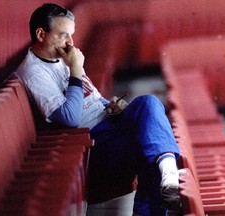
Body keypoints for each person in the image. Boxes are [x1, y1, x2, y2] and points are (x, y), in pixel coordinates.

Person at [16, 3, 180, 215]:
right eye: (63, 35)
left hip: (109, 125)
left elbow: (92, 99)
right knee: (145, 146)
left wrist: (111, 106)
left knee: (148, 103)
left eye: (71, 35)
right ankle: (167, 170)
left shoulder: (61, 56)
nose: (70, 43)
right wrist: (75, 69)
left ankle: (168, 172)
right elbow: (70, 118)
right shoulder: (34, 72)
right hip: (92, 144)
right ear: (41, 34)